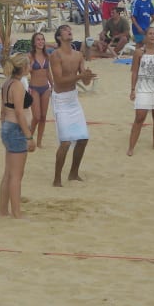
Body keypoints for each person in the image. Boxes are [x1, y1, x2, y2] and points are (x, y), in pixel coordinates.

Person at [49, 24, 96, 187]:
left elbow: (85, 81)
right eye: (65, 30)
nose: (69, 31)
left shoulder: (78, 55)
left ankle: (73, 173)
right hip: (60, 100)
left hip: (73, 99)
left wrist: (87, 76)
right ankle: (57, 178)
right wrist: (80, 77)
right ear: (59, 37)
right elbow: (59, 81)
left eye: (70, 29)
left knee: (83, 138)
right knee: (66, 141)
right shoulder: (55, 55)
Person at [0, 53, 36, 218]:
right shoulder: (18, 86)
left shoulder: (7, 83)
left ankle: (3, 210)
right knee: (16, 176)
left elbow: (2, 110)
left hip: (8, 126)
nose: (30, 68)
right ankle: (16, 212)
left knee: (8, 173)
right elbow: (20, 113)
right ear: (23, 67)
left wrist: (4, 128)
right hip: (16, 129)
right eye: (28, 65)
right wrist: (28, 136)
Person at [127, 25, 154, 155]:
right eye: (150, 33)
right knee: (139, 117)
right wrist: (132, 89)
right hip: (143, 88)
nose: (152, 36)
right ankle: (131, 147)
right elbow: (134, 72)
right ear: (146, 36)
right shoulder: (139, 52)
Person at [28, 31, 53, 148]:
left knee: (43, 117)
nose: (41, 42)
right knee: (36, 116)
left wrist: (53, 86)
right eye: (38, 39)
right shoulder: (30, 56)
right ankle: (28, 138)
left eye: (42, 39)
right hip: (34, 89)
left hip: (45, 88)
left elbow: (48, 73)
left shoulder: (47, 55)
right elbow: (24, 71)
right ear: (34, 42)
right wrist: (29, 67)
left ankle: (39, 142)